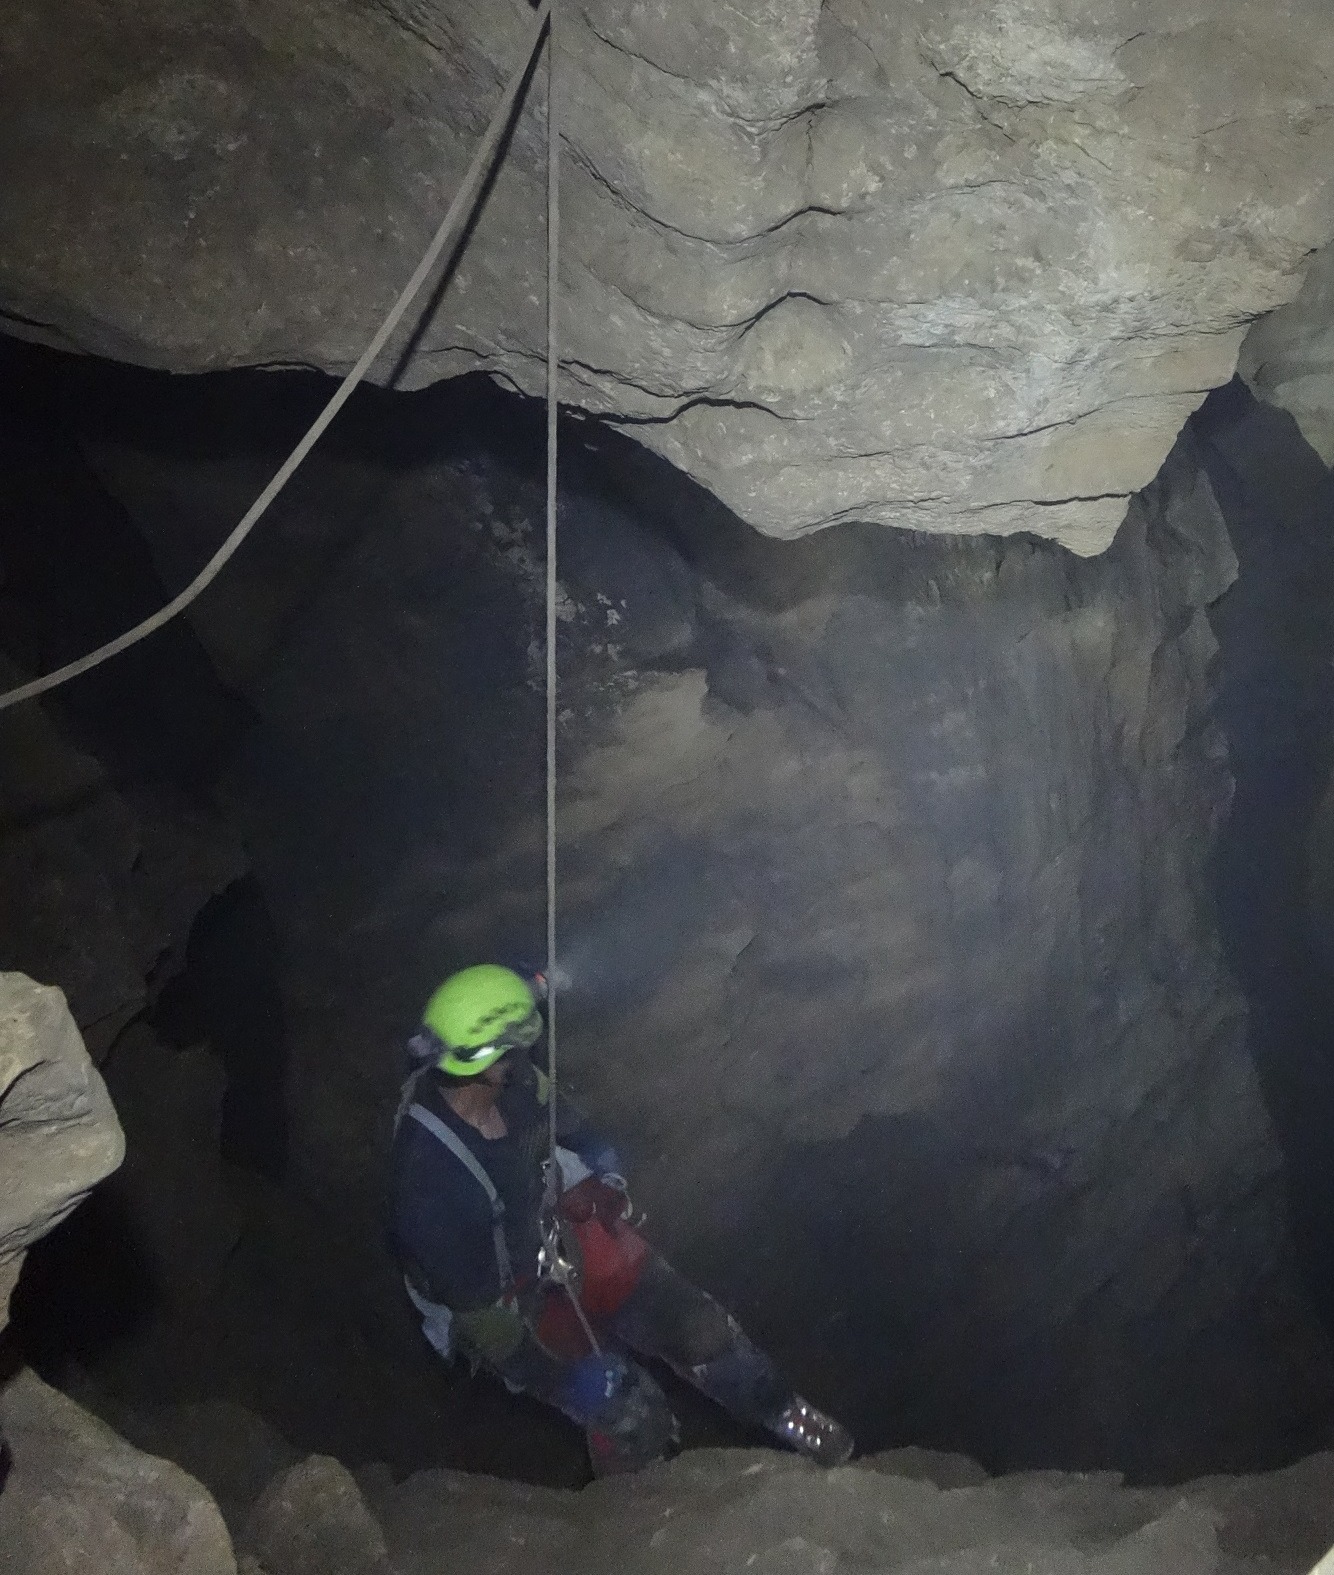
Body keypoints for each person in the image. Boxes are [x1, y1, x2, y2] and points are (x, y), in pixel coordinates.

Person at [387, 963, 854, 1475]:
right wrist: (560, 1381)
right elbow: (487, 1325)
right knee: (627, 1406)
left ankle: (784, 1412)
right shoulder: (431, 1186)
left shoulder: (513, 1085)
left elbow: (572, 1127)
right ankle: (634, 1512)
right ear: (488, 1060)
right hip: (510, 1301)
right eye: (515, 1046)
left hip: (560, 1230)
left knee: (697, 1327)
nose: (524, 1055)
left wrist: (604, 1174)